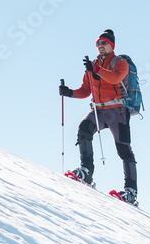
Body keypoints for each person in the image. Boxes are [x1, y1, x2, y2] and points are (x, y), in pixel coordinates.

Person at [58, 29, 138, 206]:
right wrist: (69, 92)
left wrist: (96, 70)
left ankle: (131, 191)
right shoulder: (92, 65)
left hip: (118, 111)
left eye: (104, 43)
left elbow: (116, 78)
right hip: (99, 110)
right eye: (98, 43)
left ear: (111, 45)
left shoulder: (120, 63)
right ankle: (86, 171)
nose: (100, 46)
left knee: (123, 149)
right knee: (84, 130)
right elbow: (86, 90)